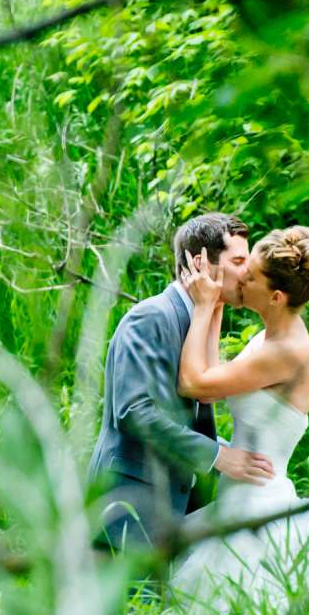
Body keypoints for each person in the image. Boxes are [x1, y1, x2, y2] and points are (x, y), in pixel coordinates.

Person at [165, 225, 309, 613]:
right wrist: (215, 305)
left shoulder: (288, 352)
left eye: (249, 276)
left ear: (275, 296)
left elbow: (194, 383)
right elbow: (214, 374)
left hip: (256, 501)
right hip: (239, 494)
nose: (240, 278)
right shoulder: (268, 338)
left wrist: (203, 307)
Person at [88, 213, 274, 554]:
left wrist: (238, 452)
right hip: (128, 512)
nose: (247, 272)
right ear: (202, 262)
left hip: (170, 512)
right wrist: (219, 456)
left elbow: (184, 414)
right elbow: (135, 412)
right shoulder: (151, 317)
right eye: (238, 261)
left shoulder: (197, 321)